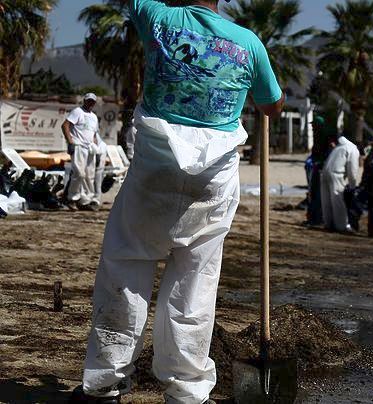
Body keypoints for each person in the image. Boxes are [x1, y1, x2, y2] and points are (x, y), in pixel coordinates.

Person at [72, 1, 284, 403]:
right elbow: (273, 105)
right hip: (212, 181)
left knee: (126, 267)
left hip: (154, 169)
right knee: (195, 283)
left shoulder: (158, 17)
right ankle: (187, 392)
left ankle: (105, 383)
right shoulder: (249, 43)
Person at [62, 93, 100, 211]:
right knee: (79, 173)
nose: (90, 103)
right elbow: (65, 125)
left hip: (90, 148)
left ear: (94, 103)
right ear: (85, 101)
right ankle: (71, 198)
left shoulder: (94, 117)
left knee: (89, 175)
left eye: (92, 101)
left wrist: (96, 150)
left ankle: (86, 201)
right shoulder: (77, 112)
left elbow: (93, 134)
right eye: (88, 101)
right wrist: (70, 142)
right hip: (78, 145)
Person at [321, 134, 360, 232]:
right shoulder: (353, 149)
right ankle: (341, 226)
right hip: (337, 174)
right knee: (338, 201)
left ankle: (328, 223)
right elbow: (352, 169)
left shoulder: (339, 147)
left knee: (327, 201)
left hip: (324, 173)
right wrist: (352, 186)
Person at [305, 116, 328, 226]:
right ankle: (314, 217)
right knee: (313, 193)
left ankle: (316, 218)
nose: (312, 127)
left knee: (316, 193)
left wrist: (318, 163)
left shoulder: (323, 137)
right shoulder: (318, 136)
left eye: (314, 125)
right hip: (315, 167)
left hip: (319, 168)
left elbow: (322, 153)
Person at [92, 134, 108, 204]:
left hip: (99, 149)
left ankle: (96, 199)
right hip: (94, 149)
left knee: (97, 175)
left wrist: (97, 155)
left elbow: (94, 137)